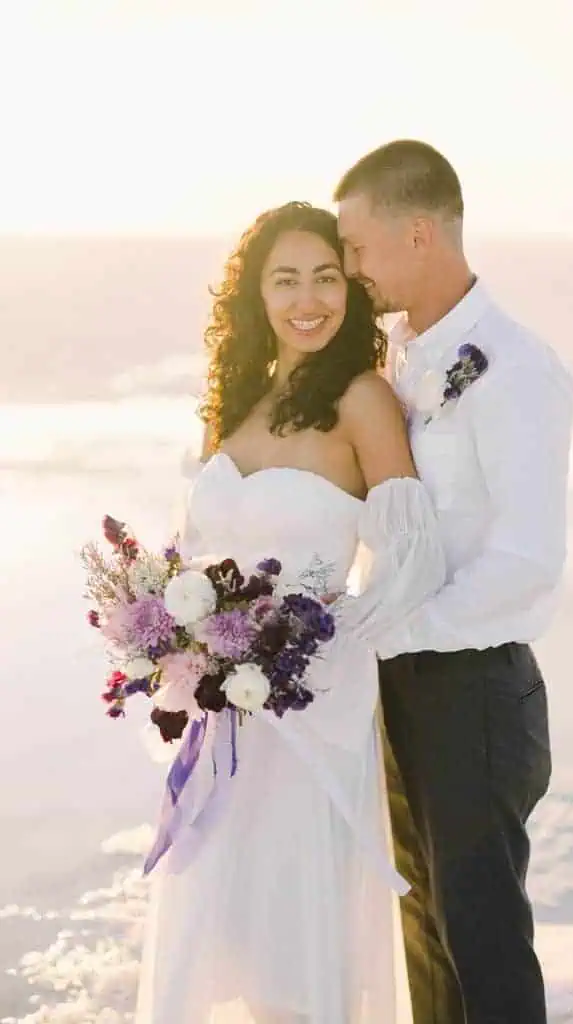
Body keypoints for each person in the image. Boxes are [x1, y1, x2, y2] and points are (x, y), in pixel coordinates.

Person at [135, 201, 446, 1024]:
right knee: (219, 921)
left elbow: (410, 555)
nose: (308, 298)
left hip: (311, 714)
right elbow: (190, 551)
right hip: (221, 721)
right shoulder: (231, 404)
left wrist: (308, 647)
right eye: (286, 279)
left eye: (325, 277)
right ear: (255, 296)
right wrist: (174, 637)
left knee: (294, 926)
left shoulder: (362, 400)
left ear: (349, 287)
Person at [335, 140, 573, 1024]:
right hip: (402, 684)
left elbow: (525, 565)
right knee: (424, 933)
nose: (349, 268)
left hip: (475, 690)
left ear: (420, 233)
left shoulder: (514, 368)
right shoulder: (399, 355)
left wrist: (387, 633)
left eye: (358, 248)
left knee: (481, 942)